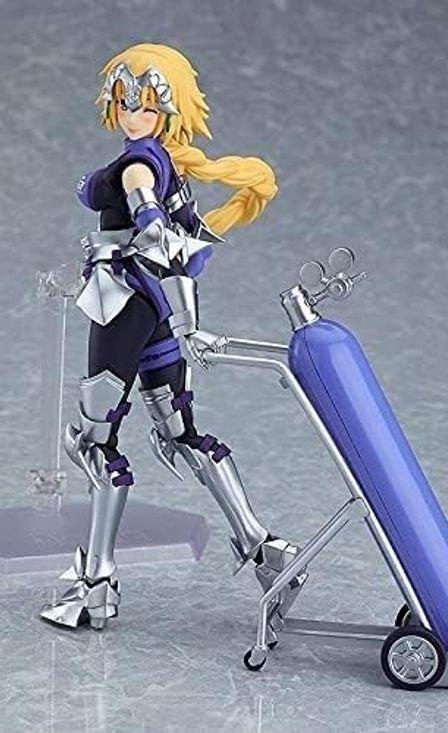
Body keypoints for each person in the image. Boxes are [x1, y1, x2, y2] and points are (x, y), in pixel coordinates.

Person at [40, 44, 307, 636]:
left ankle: (96, 587)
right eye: (124, 101)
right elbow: (187, 236)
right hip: (155, 309)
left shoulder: (139, 165)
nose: (132, 113)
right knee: (180, 431)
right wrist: (180, 319)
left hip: (124, 309)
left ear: (168, 108)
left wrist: (190, 327)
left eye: (145, 103)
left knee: (93, 443)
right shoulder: (170, 161)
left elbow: (159, 236)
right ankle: (265, 549)